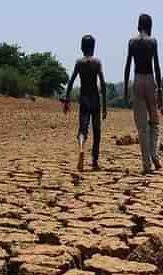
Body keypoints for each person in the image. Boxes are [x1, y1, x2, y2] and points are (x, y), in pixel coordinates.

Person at [124, 14, 163, 174]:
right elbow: (157, 66)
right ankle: (154, 153)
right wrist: (159, 88)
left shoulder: (132, 42)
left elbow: (127, 65)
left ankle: (146, 165)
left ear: (138, 25)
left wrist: (126, 88)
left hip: (138, 79)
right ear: (150, 26)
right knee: (154, 121)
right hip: (150, 79)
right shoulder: (152, 41)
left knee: (141, 125)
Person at [63, 35, 107, 172]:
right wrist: (105, 105)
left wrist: (67, 100)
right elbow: (103, 83)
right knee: (96, 131)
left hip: (84, 98)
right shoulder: (97, 62)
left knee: (83, 129)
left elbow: (71, 82)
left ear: (82, 47)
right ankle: (94, 160)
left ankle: (82, 148)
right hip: (95, 98)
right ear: (93, 47)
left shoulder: (79, 63)